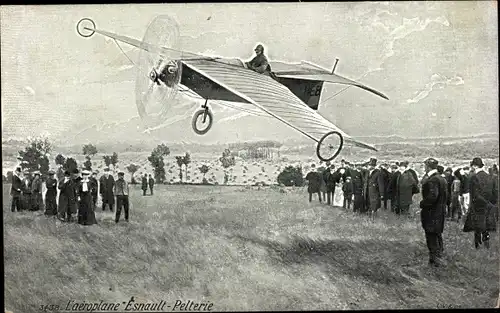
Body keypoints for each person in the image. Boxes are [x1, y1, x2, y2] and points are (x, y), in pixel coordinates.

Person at [463, 157, 498, 249]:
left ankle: (478, 246)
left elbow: (474, 194)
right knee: (486, 226)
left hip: (477, 205)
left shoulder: (474, 177)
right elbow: (495, 192)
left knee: (477, 227)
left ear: (474, 166)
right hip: (489, 205)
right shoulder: (490, 176)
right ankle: (486, 245)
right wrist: (491, 203)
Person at [419, 158, 448, 267]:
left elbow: (432, 197)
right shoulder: (441, 179)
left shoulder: (432, 180)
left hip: (431, 213)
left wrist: (422, 203)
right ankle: (438, 258)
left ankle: (435, 262)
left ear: (428, 166)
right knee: (437, 235)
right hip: (439, 212)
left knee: (431, 237)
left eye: (425, 166)